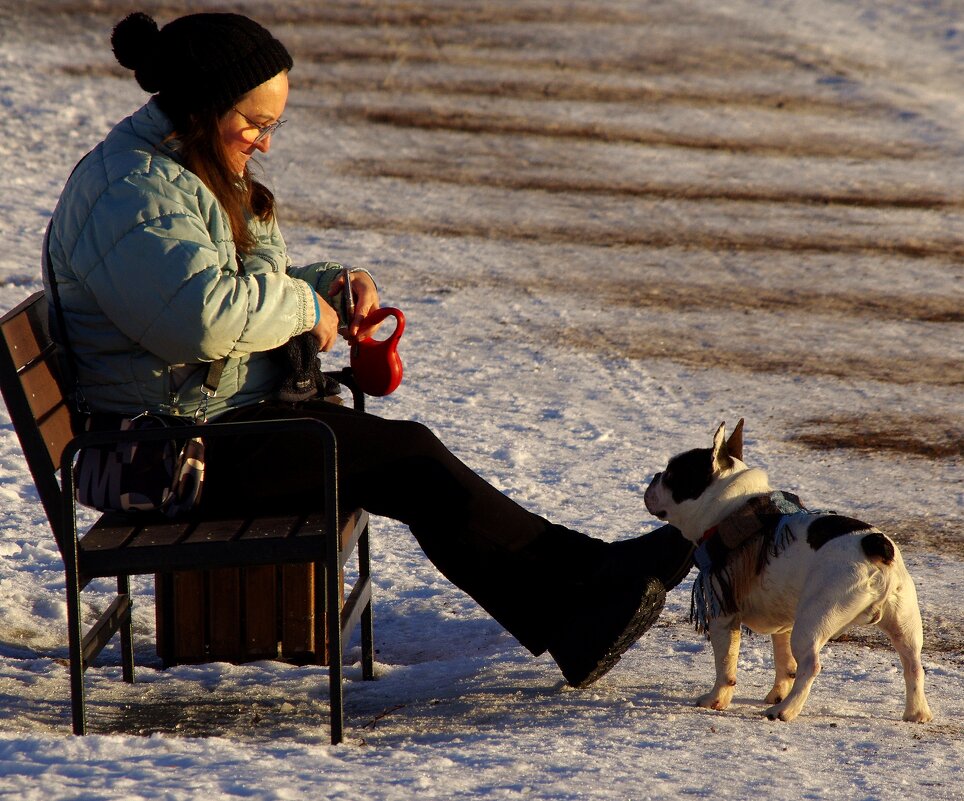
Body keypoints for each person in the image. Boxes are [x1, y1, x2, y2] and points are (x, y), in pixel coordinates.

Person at [43, 11, 694, 689]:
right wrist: (304, 308)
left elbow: (234, 284)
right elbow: (201, 319)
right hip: (162, 451)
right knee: (407, 457)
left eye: (274, 126)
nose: (265, 144)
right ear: (205, 108)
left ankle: (585, 587)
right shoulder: (133, 191)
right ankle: (579, 606)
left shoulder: (190, 166)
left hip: (205, 419)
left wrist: (331, 288)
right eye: (255, 125)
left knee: (409, 455)